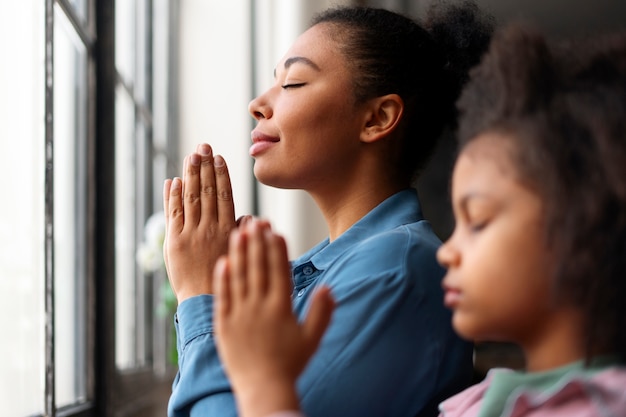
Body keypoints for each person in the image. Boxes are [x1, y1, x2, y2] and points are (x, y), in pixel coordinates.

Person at [212, 23, 626, 417]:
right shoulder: (475, 403)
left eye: (478, 221)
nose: (448, 251)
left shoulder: (398, 267)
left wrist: (206, 304)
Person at [163, 3, 494, 417]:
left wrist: (198, 294)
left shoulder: (397, 271)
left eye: (294, 83)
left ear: (377, 118)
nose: (258, 104)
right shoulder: (327, 272)